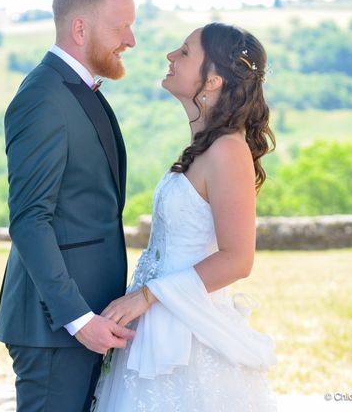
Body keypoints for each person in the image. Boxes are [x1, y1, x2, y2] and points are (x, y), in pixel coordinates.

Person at [92, 23, 278, 411]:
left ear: (212, 80)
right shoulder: (204, 147)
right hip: (153, 327)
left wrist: (148, 296)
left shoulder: (228, 151)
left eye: (184, 52)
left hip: (185, 338)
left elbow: (237, 260)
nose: (170, 57)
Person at [0, 0, 138, 411]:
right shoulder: (42, 97)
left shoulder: (77, 90)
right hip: (57, 328)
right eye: (121, 27)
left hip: (87, 322)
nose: (130, 40)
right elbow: (30, 221)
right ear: (80, 27)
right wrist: (78, 319)